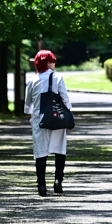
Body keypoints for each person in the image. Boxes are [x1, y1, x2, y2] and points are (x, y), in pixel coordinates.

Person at [24, 50, 73, 197]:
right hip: (57, 118)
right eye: (53, 61)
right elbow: (64, 98)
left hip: (40, 120)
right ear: (49, 62)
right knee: (60, 149)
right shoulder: (58, 77)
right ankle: (58, 181)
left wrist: (33, 117)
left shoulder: (32, 80)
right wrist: (68, 117)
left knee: (40, 152)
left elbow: (28, 105)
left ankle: (41, 185)